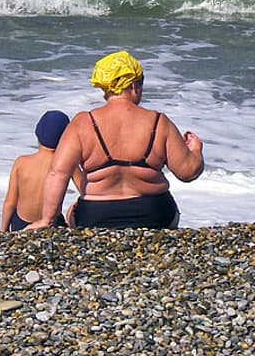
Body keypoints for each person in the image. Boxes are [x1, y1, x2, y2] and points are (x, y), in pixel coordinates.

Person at [26, 50, 203, 230]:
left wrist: (47, 220)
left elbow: (58, 173)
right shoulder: (159, 122)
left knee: (72, 211)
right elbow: (188, 172)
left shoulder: (83, 123)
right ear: (134, 86)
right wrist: (196, 150)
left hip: (95, 216)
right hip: (157, 214)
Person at [0, 110, 86, 231]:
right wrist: (73, 209)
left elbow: (10, 202)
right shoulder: (67, 163)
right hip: (51, 224)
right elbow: (87, 194)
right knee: (73, 210)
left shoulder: (21, 162)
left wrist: (3, 231)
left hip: (20, 224)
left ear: (37, 135)